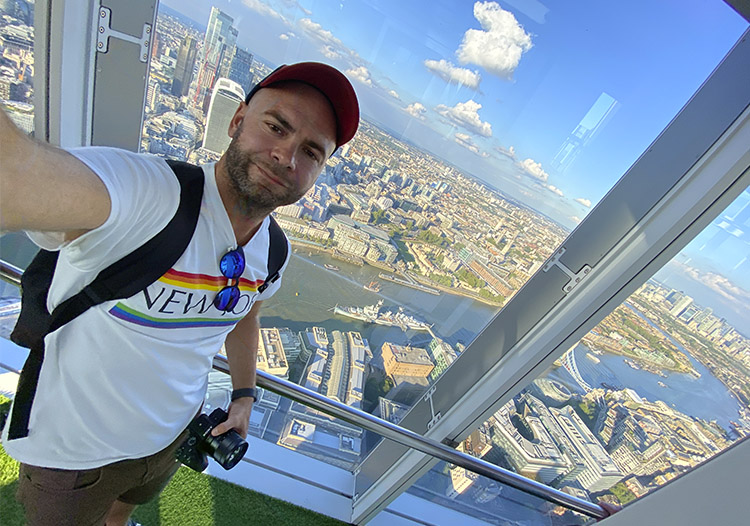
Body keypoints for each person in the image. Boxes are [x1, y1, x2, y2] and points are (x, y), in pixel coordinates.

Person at [0, 61, 359, 526]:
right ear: (236, 121)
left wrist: (244, 394)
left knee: (121, 515)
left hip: (168, 437)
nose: (286, 157)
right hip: (72, 447)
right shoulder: (151, 194)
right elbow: (15, 178)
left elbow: (246, 314)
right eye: (276, 127)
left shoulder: (273, 252)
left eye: (311, 151)